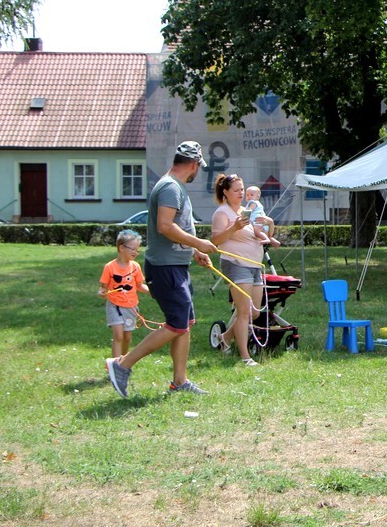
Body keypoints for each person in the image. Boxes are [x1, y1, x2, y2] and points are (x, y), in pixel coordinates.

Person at [105, 141, 218, 397]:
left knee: (185, 323)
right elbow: (165, 227)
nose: (197, 172)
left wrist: (194, 251)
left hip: (176, 265)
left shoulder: (173, 185)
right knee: (176, 324)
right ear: (193, 165)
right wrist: (198, 242)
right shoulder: (170, 187)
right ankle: (122, 365)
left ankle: (180, 381)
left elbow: (177, 229)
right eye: (198, 167)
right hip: (165, 268)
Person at [211, 174, 277, 366]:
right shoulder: (222, 213)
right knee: (243, 312)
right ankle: (245, 357)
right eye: (236, 190)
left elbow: (260, 235)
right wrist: (234, 228)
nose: (241, 193)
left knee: (254, 312)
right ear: (225, 192)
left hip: (254, 265)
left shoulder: (246, 211)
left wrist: (270, 224)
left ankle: (225, 337)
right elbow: (215, 241)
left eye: (242, 189)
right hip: (236, 264)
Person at [98, 229, 149, 358]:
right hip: (114, 306)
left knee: (127, 337)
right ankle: (115, 364)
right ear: (121, 248)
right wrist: (101, 292)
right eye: (133, 249)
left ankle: (123, 360)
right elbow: (103, 288)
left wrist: (152, 292)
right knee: (118, 336)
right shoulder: (110, 267)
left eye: (137, 250)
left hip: (130, 307)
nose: (135, 252)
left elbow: (139, 285)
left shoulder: (135, 267)